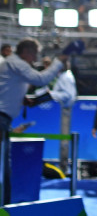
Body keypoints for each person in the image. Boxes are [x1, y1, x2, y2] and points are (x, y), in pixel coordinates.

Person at [0, 38, 69, 205]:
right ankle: (5, 207)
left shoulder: (14, 64)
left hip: (3, 119)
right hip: (0, 118)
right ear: (27, 52)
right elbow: (41, 79)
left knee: (4, 167)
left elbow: (9, 87)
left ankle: (6, 205)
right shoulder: (17, 62)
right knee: (3, 168)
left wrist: (21, 99)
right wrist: (58, 62)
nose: (36, 58)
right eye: (35, 54)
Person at [41, 55, 78, 174]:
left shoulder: (65, 77)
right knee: (63, 140)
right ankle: (63, 166)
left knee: (64, 141)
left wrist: (52, 94)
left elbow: (69, 95)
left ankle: (64, 167)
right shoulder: (63, 76)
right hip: (63, 111)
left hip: (65, 111)